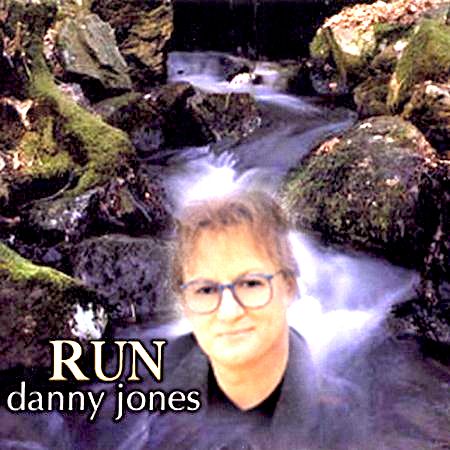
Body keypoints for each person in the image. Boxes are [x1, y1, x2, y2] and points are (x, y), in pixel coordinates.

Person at [147, 191, 362, 450]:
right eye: (206, 290)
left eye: (250, 284)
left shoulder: (339, 418)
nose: (229, 312)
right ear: (184, 304)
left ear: (289, 286)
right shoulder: (162, 394)